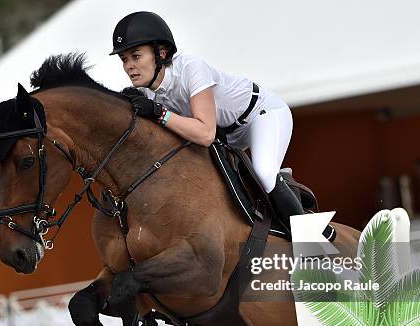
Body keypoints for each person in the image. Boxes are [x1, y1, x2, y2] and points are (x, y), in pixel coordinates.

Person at [110, 11, 321, 235]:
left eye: (136, 56)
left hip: (262, 115)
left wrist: (159, 113)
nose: (129, 66)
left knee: (264, 173)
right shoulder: (147, 94)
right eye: (124, 59)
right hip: (227, 137)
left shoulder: (191, 67)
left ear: (161, 54)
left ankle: (311, 239)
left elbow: (205, 134)